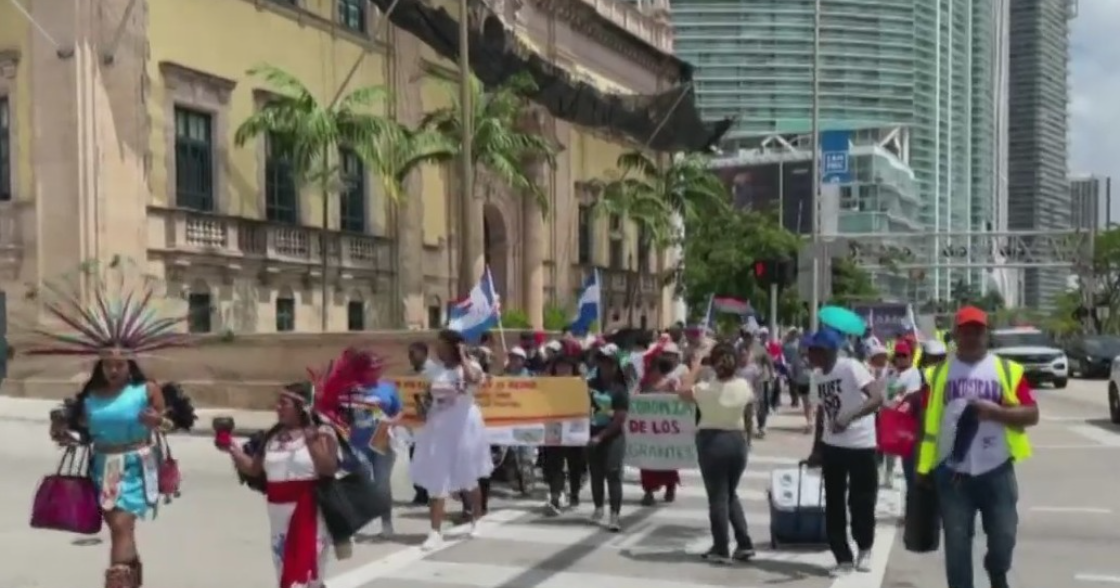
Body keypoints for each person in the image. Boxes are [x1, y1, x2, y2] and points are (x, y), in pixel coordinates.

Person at [37, 260, 196, 588]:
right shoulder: (92, 395)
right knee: (120, 528)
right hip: (102, 466)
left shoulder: (146, 390)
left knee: (122, 525)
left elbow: (170, 424)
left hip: (136, 465)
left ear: (130, 364)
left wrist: (158, 421)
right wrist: (63, 434)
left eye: (119, 364)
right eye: (108, 364)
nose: (113, 370)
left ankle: (118, 583)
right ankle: (132, 580)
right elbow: (80, 432)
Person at [915, 306, 1039, 588]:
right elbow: (927, 428)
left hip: (997, 471)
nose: (972, 336)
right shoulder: (936, 375)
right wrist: (922, 470)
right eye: (966, 331)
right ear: (956, 335)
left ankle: (997, 571)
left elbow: (1032, 414)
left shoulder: (1007, 370)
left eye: (978, 331)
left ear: (987, 334)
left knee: (1004, 539)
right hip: (951, 473)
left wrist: (998, 413)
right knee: (957, 546)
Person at [226, 381, 341, 588]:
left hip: (310, 514)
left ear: (302, 407)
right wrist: (231, 449)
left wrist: (312, 441)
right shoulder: (273, 436)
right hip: (278, 516)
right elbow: (254, 468)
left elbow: (328, 469)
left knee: (308, 577)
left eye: (283, 403)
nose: (277, 408)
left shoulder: (323, 433)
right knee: (286, 576)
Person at [807, 328, 885, 576]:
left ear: (828, 351)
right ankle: (842, 556)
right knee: (834, 503)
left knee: (861, 500)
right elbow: (821, 412)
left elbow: (876, 398)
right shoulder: (817, 376)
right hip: (833, 447)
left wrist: (850, 417)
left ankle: (865, 548)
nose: (809, 355)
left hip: (861, 445)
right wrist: (816, 448)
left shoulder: (850, 367)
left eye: (814, 350)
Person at [410, 329, 493, 550]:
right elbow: (428, 398)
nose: (437, 349)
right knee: (437, 480)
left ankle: (477, 517)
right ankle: (435, 532)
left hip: (465, 427)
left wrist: (463, 356)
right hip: (438, 428)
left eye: (441, 344)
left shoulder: (470, 367)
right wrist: (422, 406)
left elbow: (474, 381)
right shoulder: (435, 371)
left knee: (469, 478)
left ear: (453, 346)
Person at [676, 343, 756, 564]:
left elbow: (682, 391)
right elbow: (749, 412)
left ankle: (721, 547)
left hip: (712, 442)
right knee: (730, 493)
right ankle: (744, 542)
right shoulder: (743, 385)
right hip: (737, 441)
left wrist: (694, 365)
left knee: (718, 497)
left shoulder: (706, 388)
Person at [346, 352, 402, 538]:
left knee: (382, 485)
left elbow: (399, 411)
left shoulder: (388, 388)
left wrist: (392, 422)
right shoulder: (351, 389)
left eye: (378, 367)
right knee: (361, 483)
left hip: (383, 442)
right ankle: (356, 522)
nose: (376, 370)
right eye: (372, 367)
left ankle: (387, 524)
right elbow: (342, 413)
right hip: (357, 443)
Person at [586, 344, 630, 531]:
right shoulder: (589, 385)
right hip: (592, 434)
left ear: (615, 365)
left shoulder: (620, 390)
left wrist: (602, 436)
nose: (604, 366)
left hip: (613, 436)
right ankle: (598, 508)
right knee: (596, 474)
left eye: (609, 362)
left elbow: (620, 419)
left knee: (613, 474)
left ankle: (614, 515)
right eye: (601, 361)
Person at [540, 352, 588, 515]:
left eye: (566, 367)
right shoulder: (548, 384)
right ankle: (555, 495)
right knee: (554, 464)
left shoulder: (580, 384)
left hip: (574, 428)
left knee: (575, 463)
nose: (562, 370)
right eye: (559, 366)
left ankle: (574, 492)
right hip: (553, 427)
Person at [638, 342, 683, 505]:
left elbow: (680, 403)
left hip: (667, 430)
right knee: (647, 461)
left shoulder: (672, 382)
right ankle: (648, 491)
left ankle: (670, 487)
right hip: (649, 430)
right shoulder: (645, 383)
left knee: (668, 459)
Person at [882, 340, 922, 490]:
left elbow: (912, 396)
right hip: (891, 416)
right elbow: (885, 394)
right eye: (898, 355)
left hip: (906, 419)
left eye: (904, 355)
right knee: (890, 450)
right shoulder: (891, 374)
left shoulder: (914, 374)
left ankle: (911, 487)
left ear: (910, 356)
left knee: (908, 457)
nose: (901, 358)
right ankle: (889, 473)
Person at [784, 332, 814, 433]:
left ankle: (810, 422)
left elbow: (818, 368)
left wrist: (810, 364)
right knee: (806, 403)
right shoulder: (796, 358)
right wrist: (794, 379)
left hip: (812, 382)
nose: (804, 348)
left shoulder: (812, 356)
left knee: (810, 403)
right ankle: (808, 420)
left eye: (805, 346)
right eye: (802, 346)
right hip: (801, 383)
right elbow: (792, 370)